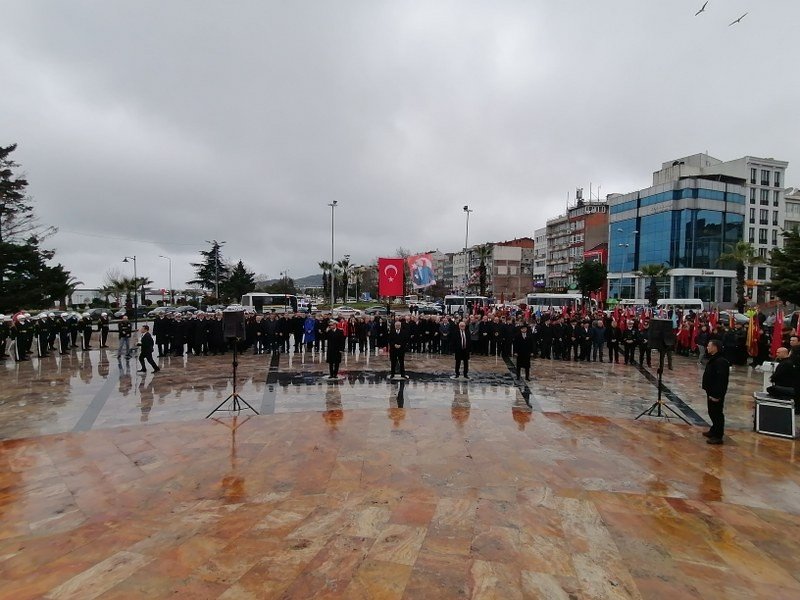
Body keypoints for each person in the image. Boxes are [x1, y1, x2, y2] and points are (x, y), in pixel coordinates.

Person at [702, 339, 730, 445]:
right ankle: (713, 430)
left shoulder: (721, 361)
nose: (707, 348)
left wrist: (717, 395)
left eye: (709, 346)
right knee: (711, 411)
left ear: (715, 347)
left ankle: (718, 435)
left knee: (717, 413)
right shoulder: (714, 359)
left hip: (716, 392)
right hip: (711, 390)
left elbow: (721, 380)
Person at [767, 347, 800, 413]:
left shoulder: (785, 364)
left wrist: (772, 379)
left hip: (787, 387)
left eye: (778, 352)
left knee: (771, 389)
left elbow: (776, 376)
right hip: (793, 387)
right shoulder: (792, 363)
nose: (776, 354)